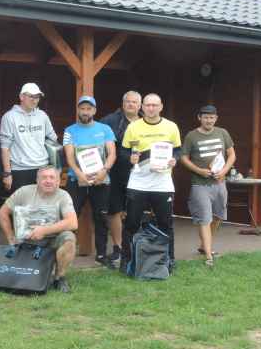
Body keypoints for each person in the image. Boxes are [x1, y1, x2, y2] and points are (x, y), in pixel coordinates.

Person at [121, 93, 182, 272]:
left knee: (165, 223)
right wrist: (130, 158)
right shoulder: (133, 127)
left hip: (162, 183)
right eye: (147, 105)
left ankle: (169, 260)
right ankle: (127, 260)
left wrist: (175, 159)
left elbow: (178, 150)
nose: (151, 108)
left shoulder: (171, 126)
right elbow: (124, 151)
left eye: (155, 105)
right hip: (138, 182)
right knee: (132, 223)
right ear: (142, 107)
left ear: (161, 107)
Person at [0, 165, 78, 293]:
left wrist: (44, 230)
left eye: (52, 177)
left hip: (52, 239)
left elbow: (73, 223)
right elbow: (2, 213)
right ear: (37, 180)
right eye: (44, 177)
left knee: (69, 238)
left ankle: (59, 278)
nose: (48, 181)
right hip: (26, 241)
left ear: (58, 181)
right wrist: (11, 237)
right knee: (24, 277)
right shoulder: (24, 192)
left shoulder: (63, 195)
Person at [62, 96, 116, 267]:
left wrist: (104, 171)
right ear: (78, 110)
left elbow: (112, 153)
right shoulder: (69, 131)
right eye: (82, 109)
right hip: (76, 179)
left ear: (94, 110)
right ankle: (65, 255)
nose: (85, 112)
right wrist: (79, 174)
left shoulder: (105, 129)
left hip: (101, 180)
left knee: (101, 218)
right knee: (70, 217)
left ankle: (101, 255)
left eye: (89, 109)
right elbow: (69, 156)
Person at [180, 105, 236, 268]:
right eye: (205, 117)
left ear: (216, 118)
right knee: (205, 218)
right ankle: (209, 255)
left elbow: (232, 154)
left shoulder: (223, 133)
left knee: (218, 216)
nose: (209, 120)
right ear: (199, 118)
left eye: (212, 117)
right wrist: (199, 171)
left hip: (220, 183)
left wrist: (224, 171)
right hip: (200, 185)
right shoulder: (191, 136)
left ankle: (204, 245)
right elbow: (183, 158)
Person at [100, 90, 142, 266]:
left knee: (136, 210)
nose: (131, 104)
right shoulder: (110, 121)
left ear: (140, 105)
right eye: (128, 101)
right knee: (114, 210)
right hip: (115, 172)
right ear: (123, 104)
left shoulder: (146, 122)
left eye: (134, 102)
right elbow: (99, 142)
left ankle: (133, 246)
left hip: (141, 173)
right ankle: (118, 247)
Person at [0, 83, 58, 192]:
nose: (35, 100)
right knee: (23, 203)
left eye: (37, 97)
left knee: (43, 202)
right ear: (21, 97)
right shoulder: (9, 117)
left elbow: (53, 139)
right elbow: (5, 147)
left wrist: (56, 168)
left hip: (43, 168)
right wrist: (7, 173)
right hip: (20, 170)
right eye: (31, 96)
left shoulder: (42, 115)